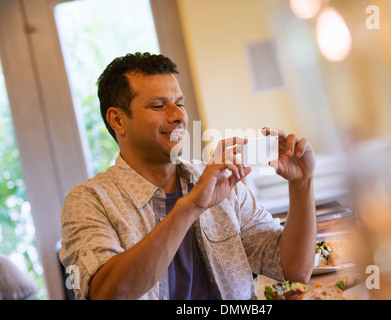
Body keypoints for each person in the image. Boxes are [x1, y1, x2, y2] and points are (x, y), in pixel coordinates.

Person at [59, 52, 317, 300]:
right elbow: (106, 294)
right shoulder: (88, 201)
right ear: (118, 120)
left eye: (180, 103)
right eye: (159, 105)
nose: (179, 116)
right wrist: (190, 206)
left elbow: (294, 269)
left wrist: (301, 184)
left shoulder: (220, 179)